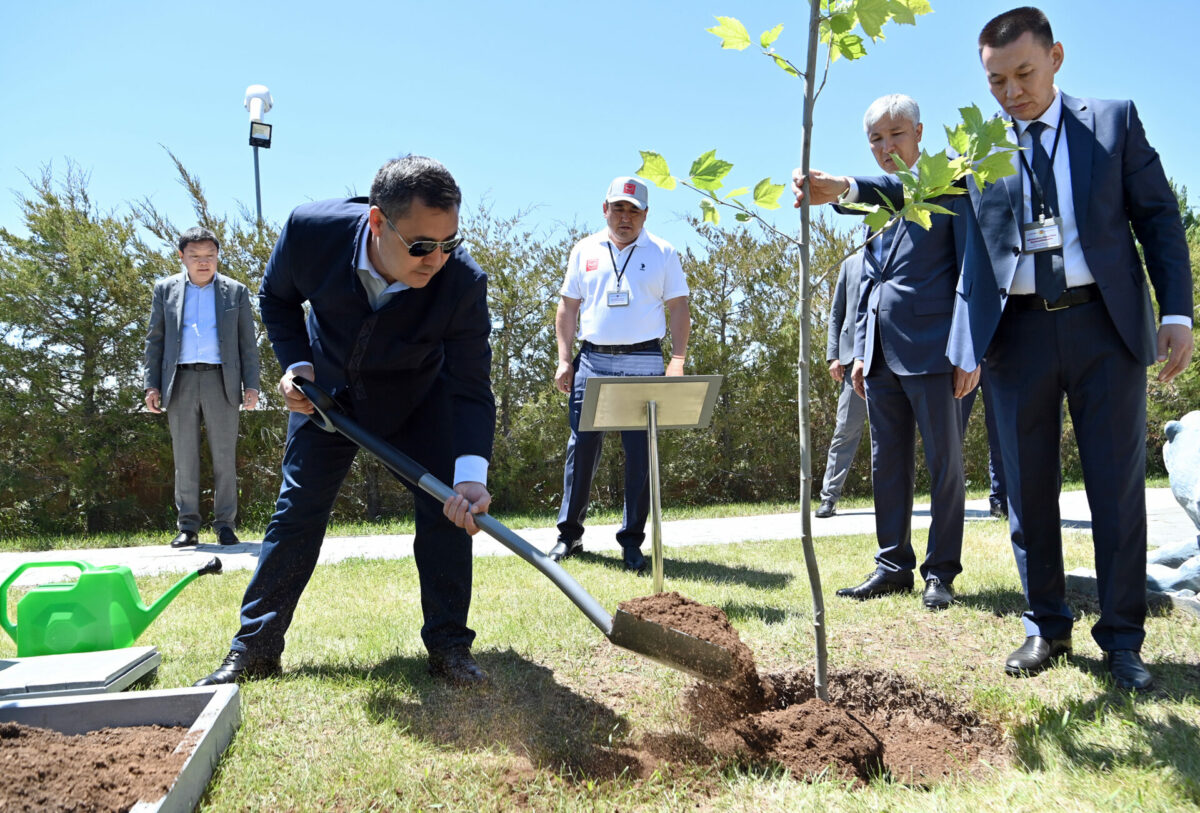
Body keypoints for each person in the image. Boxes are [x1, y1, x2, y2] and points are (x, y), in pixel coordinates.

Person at [194, 156, 497, 688]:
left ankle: (450, 647)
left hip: (418, 401)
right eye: (423, 245)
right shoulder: (311, 233)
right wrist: (296, 364)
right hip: (327, 401)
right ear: (378, 222)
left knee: (445, 517)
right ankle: (255, 648)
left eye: (449, 243)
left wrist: (471, 476)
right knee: (296, 515)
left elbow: (471, 387)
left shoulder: (463, 283)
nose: (438, 260)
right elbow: (277, 298)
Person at [969, 7, 1192, 690]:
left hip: (1106, 328)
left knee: (1116, 490)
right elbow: (926, 203)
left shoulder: (1114, 121)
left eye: (1024, 73)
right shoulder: (977, 148)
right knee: (1028, 492)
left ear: (1056, 57)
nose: (1012, 92)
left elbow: (1158, 216)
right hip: (1019, 335)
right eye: (997, 81)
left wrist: (1177, 310)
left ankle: (1123, 640)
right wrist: (853, 189)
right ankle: (1047, 628)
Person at [792, 94, 990, 610]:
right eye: (875, 139)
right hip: (878, 357)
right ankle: (892, 565)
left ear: (920, 134)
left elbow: (973, 270)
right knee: (887, 464)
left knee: (945, 465)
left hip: (937, 353)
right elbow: (870, 281)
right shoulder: (876, 209)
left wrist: (969, 351)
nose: (886, 147)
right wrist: (859, 349)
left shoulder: (950, 181)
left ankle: (940, 572)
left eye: (896, 134)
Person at [550, 176, 690, 574]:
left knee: (640, 456)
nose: (625, 216)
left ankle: (632, 542)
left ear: (646, 214)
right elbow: (567, 309)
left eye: (634, 209)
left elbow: (679, 308)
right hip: (592, 361)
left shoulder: (663, 252)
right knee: (582, 449)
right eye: (618, 208)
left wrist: (676, 360)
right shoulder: (584, 250)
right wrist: (565, 359)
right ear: (605, 209)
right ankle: (569, 535)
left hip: (644, 360)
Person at [143, 227, 261, 548]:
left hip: (221, 381)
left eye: (210, 255)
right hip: (179, 380)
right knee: (185, 459)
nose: (203, 262)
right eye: (195, 256)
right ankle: (188, 527)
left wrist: (252, 385)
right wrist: (151, 385)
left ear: (218, 256)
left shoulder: (235, 292)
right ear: (181, 257)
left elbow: (247, 344)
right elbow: (155, 341)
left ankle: (225, 525)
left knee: (224, 457)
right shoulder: (164, 290)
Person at [815, 250, 869, 519]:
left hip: (891, 357)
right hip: (851, 362)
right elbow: (836, 312)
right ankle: (829, 498)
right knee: (845, 431)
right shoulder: (850, 263)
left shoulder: (900, 254)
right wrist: (833, 355)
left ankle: (894, 499)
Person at [958, 365, 1008, 519]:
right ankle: (948, 505)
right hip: (962, 360)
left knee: (1001, 437)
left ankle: (1000, 503)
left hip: (996, 354)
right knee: (950, 438)